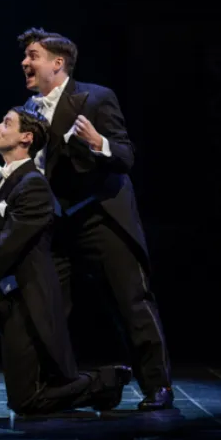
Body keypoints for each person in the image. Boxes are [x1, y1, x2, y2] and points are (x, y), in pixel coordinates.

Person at [0, 107, 133, 416]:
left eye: (6, 123)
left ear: (26, 138)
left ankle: (104, 380)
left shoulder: (34, 185)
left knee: (27, 402)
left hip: (24, 302)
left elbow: (8, 248)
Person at [18, 27, 173, 410]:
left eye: (33, 55)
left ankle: (158, 387)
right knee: (49, 306)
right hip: (59, 224)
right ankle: (58, 387)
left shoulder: (97, 98)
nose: (25, 62)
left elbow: (125, 155)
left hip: (101, 216)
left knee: (131, 302)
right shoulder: (27, 110)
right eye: (25, 56)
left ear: (58, 63)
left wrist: (96, 142)